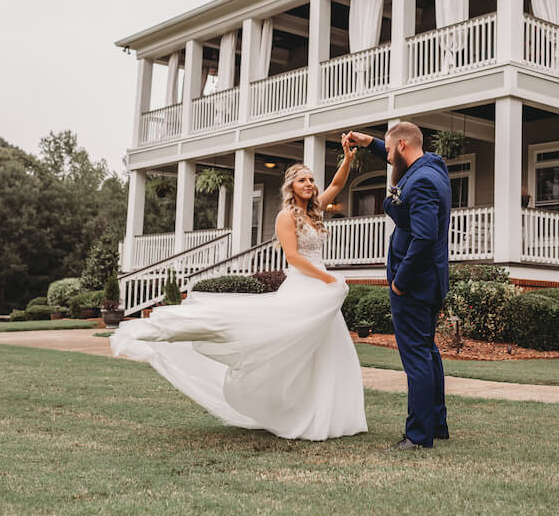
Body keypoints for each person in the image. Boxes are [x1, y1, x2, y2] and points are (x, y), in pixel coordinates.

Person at [109, 141, 367, 441]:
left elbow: (337, 183)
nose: (309, 184)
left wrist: (347, 158)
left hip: (323, 289)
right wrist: (328, 279)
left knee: (326, 351)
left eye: (311, 179)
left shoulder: (316, 210)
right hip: (306, 286)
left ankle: (328, 414)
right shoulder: (286, 217)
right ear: (291, 187)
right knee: (283, 345)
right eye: (302, 180)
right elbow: (294, 258)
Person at [343, 122, 452, 451]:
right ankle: (436, 423)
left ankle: (418, 435)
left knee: (416, 358)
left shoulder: (420, 183)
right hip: (431, 281)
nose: (388, 158)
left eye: (390, 152)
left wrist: (400, 282)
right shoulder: (434, 166)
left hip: (415, 284)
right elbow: (398, 157)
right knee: (429, 353)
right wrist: (370, 143)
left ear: (403, 145)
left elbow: (423, 237)